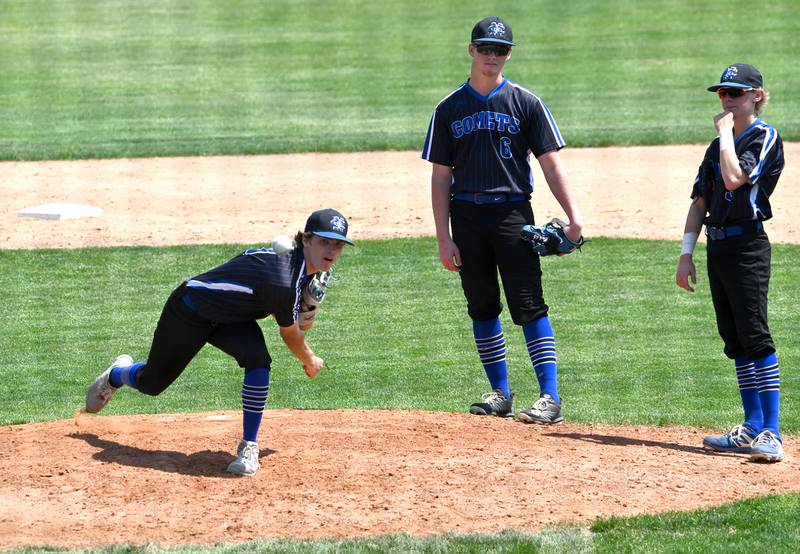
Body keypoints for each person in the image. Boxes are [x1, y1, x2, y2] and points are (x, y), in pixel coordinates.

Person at [84, 208, 354, 476]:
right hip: (190, 311)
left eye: (338, 244)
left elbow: (290, 310)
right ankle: (116, 375)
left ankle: (249, 447)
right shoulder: (283, 278)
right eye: (323, 241)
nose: (331, 250)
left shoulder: (299, 268)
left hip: (231, 320)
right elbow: (290, 335)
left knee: (258, 360)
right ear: (306, 240)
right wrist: (310, 360)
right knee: (151, 383)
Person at [422, 16, 584, 424]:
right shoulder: (448, 108)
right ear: (471, 50)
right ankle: (500, 393)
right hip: (467, 216)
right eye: (485, 48)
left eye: (500, 50)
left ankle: (550, 398)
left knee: (529, 304)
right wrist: (443, 237)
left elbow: (550, 163)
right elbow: (441, 177)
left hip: (513, 213)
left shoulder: (526, 103)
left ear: (508, 54)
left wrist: (573, 217)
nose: (492, 56)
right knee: (481, 306)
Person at [676, 64, 785, 462]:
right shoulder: (714, 146)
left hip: (748, 248)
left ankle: (772, 433)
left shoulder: (765, 137)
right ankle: (750, 427)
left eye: (735, 93)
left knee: (756, 336)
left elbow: (736, 178)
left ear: (756, 95)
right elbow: (700, 202)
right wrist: (686, 253)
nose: (726, 100)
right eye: (723, 93)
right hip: (717, 248)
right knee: (735, 339)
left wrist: (725, 135)